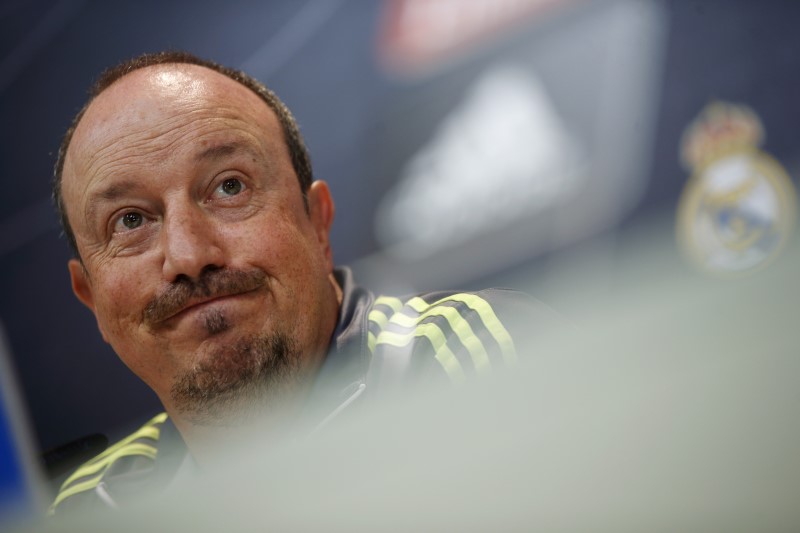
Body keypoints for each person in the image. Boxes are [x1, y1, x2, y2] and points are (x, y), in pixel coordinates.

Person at [48, 51, 555, 515]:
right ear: (91, 299)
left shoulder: (473, 361)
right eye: (130, 222)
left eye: (229, 186)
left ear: (318, 221)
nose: (188, 256)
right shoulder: (88, 508)